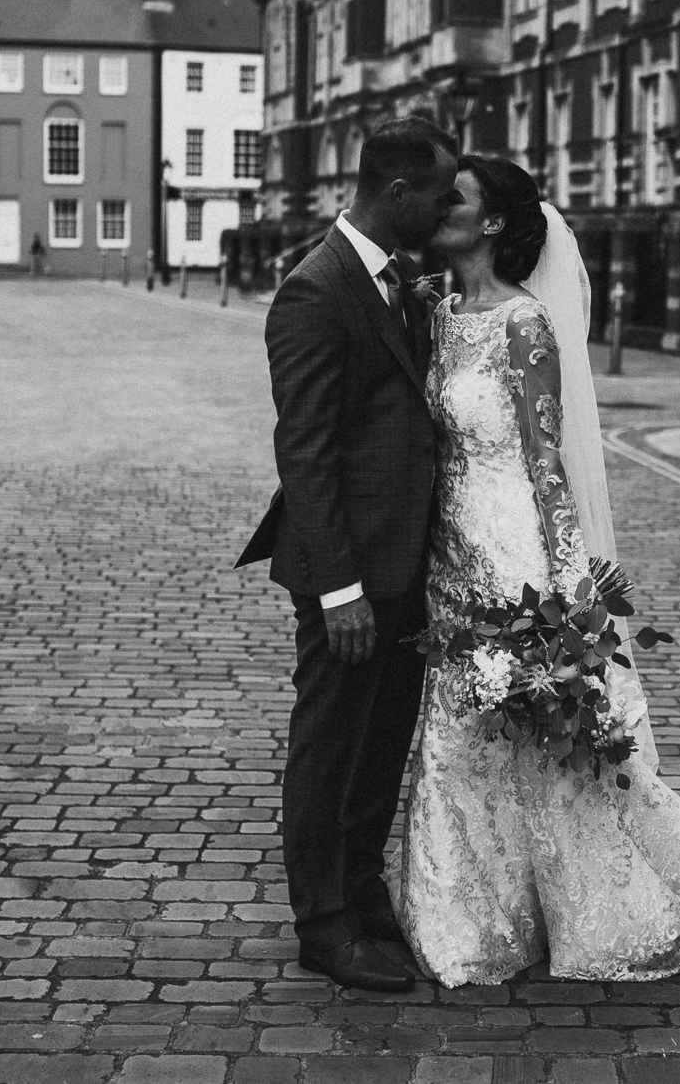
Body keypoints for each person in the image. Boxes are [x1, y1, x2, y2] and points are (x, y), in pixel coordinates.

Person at [389, 155, 680, 987]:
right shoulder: (436, 308)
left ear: (495, 222)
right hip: (450, 550)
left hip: (515, 549)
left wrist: (573, 596)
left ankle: (587, 904)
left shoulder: (524, 324)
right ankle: (466, 906)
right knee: (459, 734)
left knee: (542, 736)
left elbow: (548, 468)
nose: (439, 206)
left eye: (457, 198)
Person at [234, 117, 459, 993]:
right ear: (397, 194)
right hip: (352, 574)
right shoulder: (316, 290)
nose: (447, 210)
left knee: (382, 741)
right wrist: (339, 590)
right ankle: (322, 924)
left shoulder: (401, 281)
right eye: (439, 195)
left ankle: (362, 897)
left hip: (406, 567)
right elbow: (308, 453)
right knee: (330, 746)